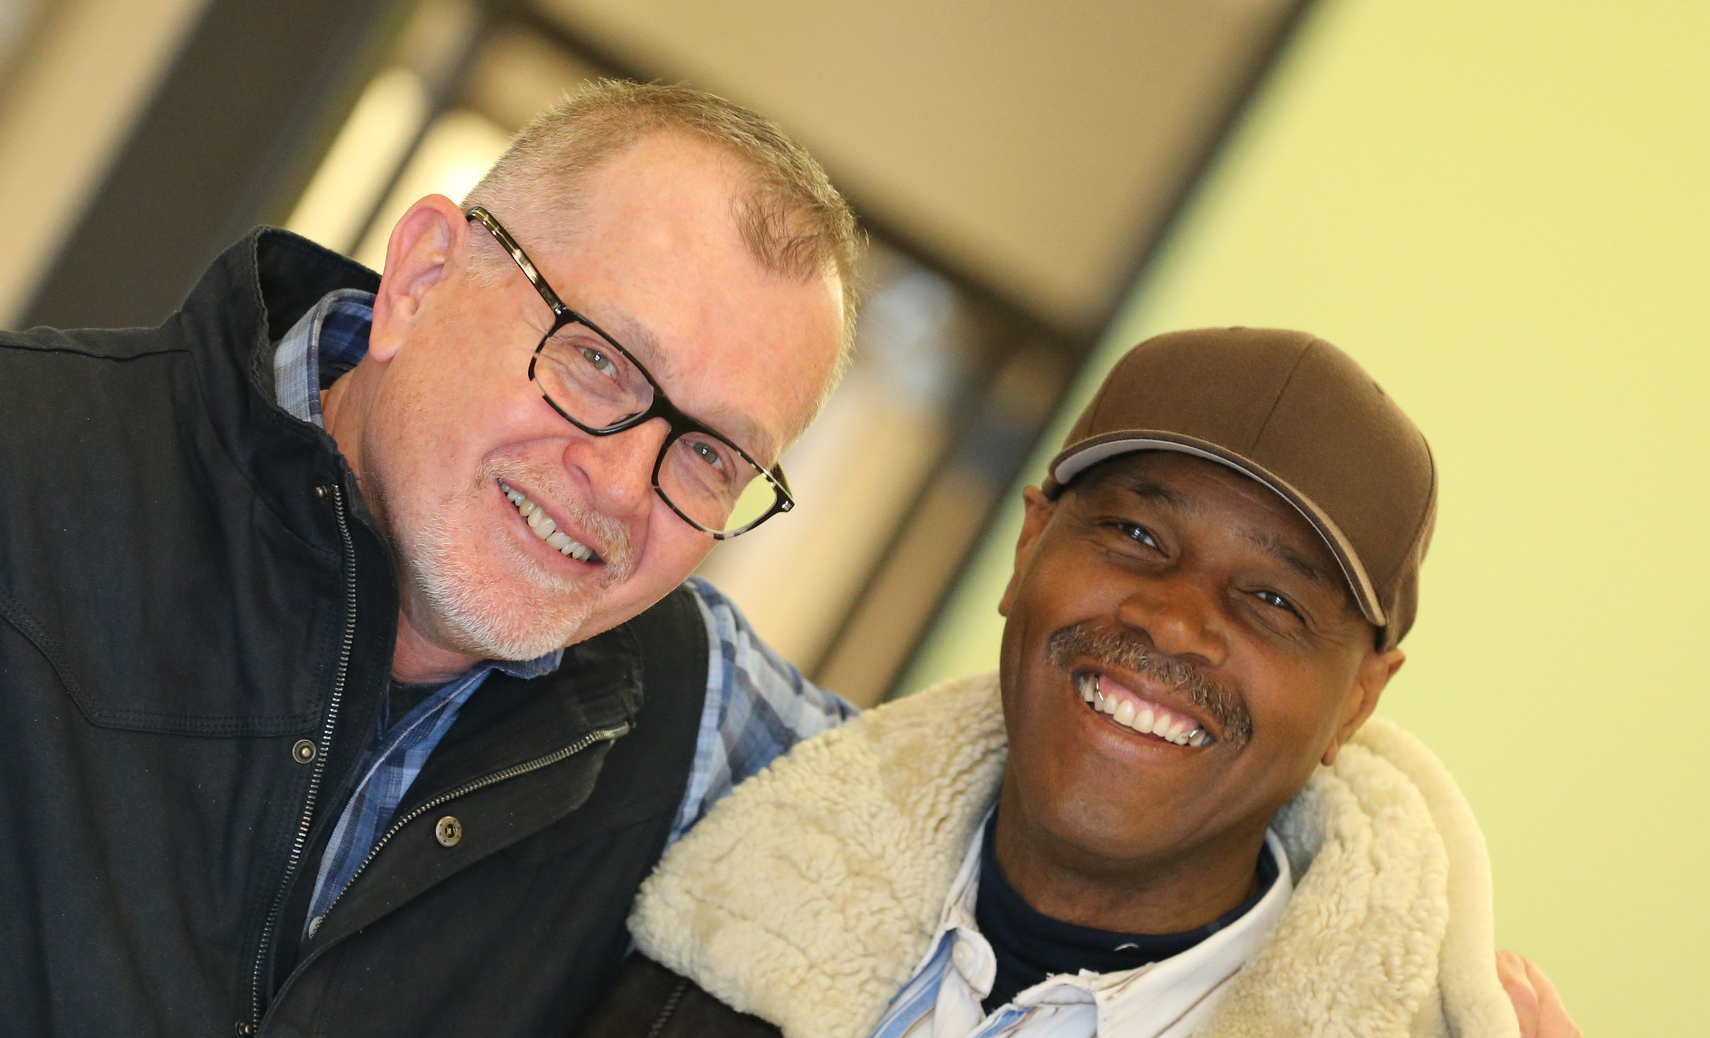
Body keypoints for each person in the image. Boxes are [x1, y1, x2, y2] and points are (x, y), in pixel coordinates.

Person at [0, 81, 862, 1036]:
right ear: (419, 277)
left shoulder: (689, 711)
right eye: (598, 359)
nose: (621, 485)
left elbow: (976, 831)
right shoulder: (29, 457)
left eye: (709, 455)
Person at [584, 327, 1584, 1037]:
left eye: (1276, 601)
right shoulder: (711, 844)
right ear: (1029, 547)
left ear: (1359, 701)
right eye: (1139, 534)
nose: (1175, 620)